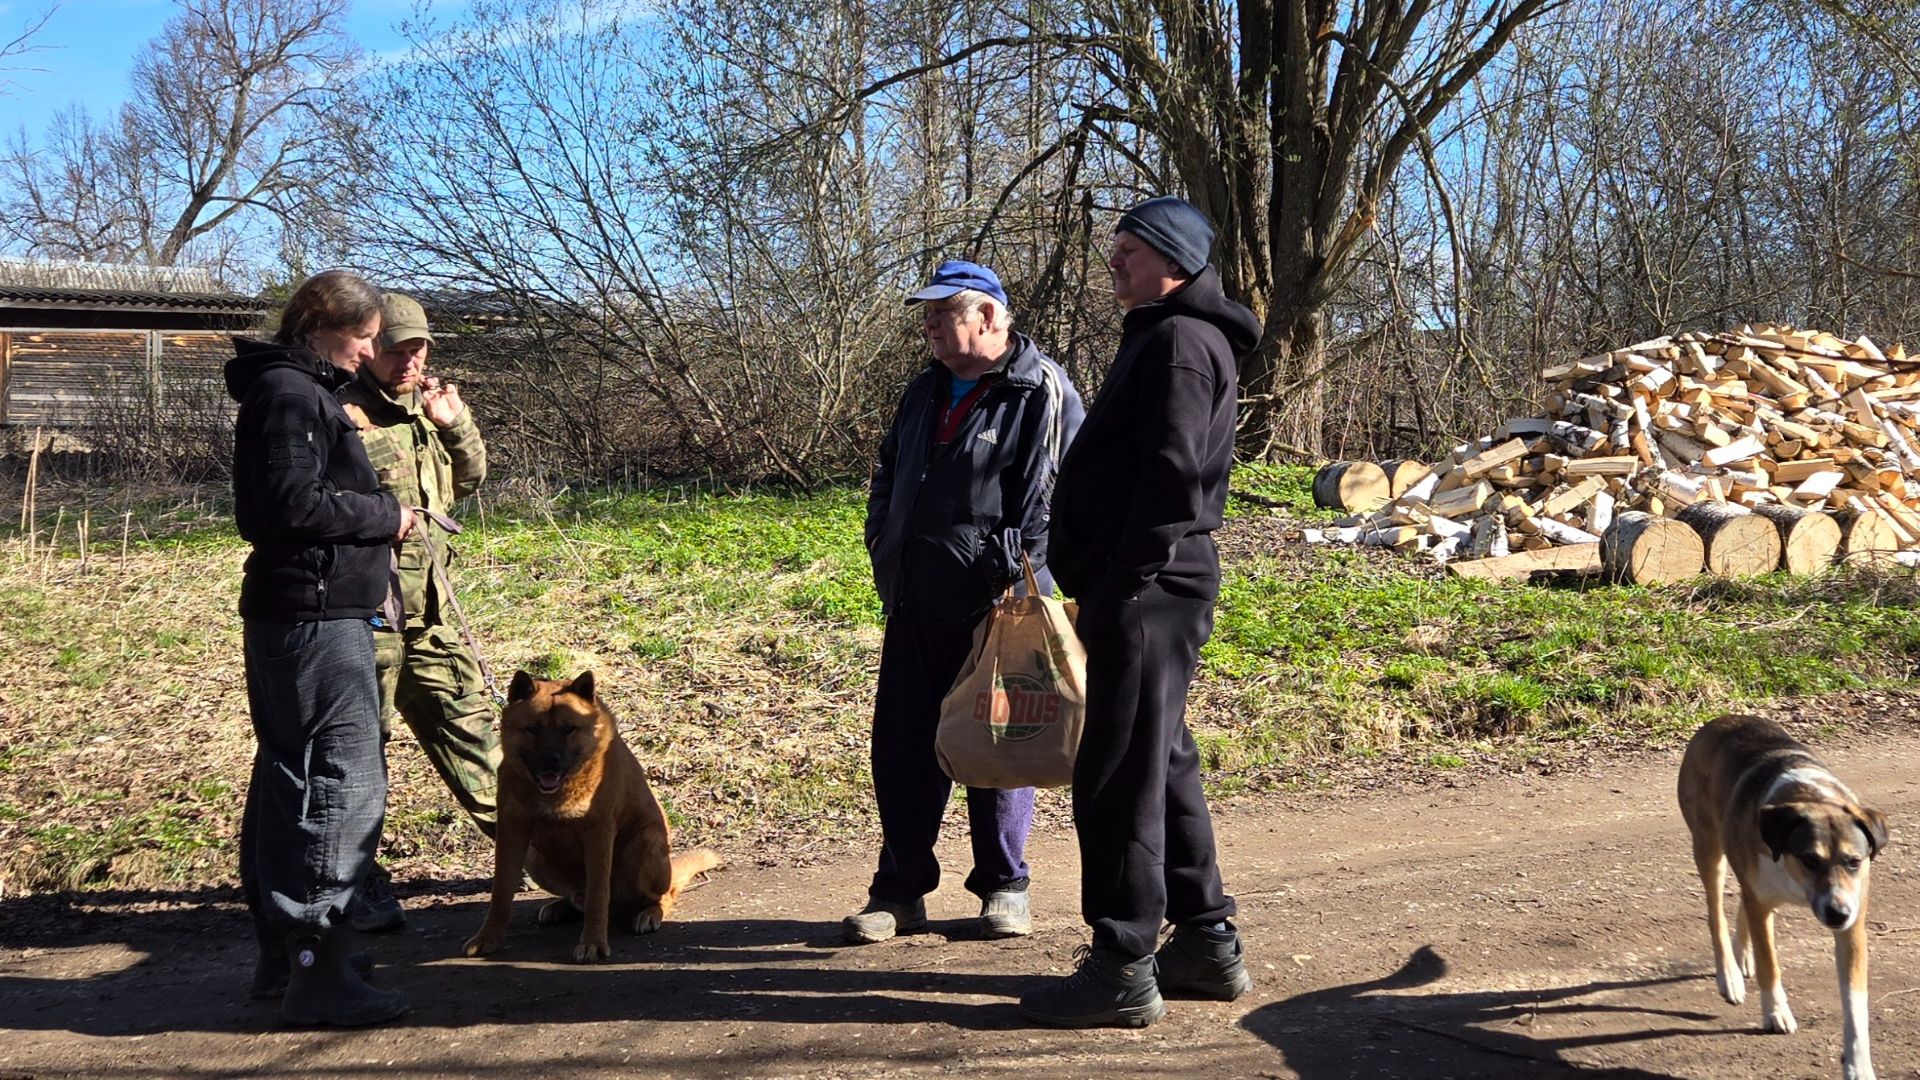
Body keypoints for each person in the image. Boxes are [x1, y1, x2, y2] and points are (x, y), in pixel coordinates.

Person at [1018, 197, 1261, 1028]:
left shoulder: (1182, 344)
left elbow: (1174, 473)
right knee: (1160, 761)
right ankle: (1204, 941)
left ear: (1174, 260)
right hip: (1152, 586)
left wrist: (1124, 577)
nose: (1113, 261)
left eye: (1129, 249)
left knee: (1118, 770)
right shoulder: (1168, 333)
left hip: (1149, 589)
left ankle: (1121, 962)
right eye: (1114, 248)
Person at [847, 259, 1084, 945]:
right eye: (926, 312)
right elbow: (889, 473)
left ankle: (1005, 888)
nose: (927, 324)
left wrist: (1016, 580)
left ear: (987, 317)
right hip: (916, 595)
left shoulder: (1039, 388)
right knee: (902, 748)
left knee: (999, 743)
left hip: (999, 605)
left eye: (941, 311)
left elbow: (1053, 496)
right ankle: (899, 892)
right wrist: (882, 542)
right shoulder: (923, 391)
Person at [227, 269, 412, 1026]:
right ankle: (317, 963)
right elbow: (287, 505)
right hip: (314, 615)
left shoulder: (297, 392)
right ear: (320, 325)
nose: (371, 353)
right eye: (365, 337)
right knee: (342, 779)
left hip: (301, 611)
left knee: (291, 776)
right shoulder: (293, 396)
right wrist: (385, 514)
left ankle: (291, 955)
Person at [336, 292, 501, 934]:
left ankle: (543, 853)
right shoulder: (342, 413)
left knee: (477, 731)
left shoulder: (429, 409)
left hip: (432, 611)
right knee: (358, 756)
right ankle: (356, 885)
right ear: (369, 346)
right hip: (367, 615)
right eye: (397, 347)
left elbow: (469, 482)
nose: (410, 359)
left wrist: (456, 424)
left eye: (419, 347)